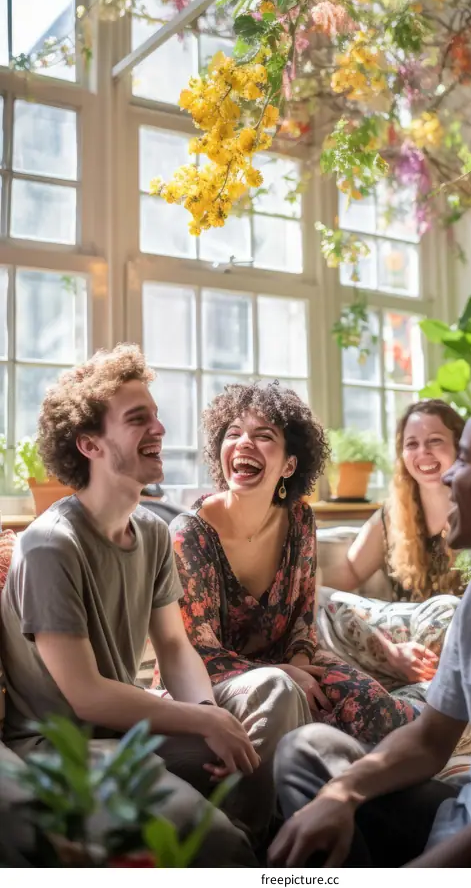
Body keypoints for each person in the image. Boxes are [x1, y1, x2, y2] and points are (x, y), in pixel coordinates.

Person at [269, 387, 471, 868]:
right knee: (308, 749)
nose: (446, 474)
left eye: (462, 459)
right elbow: (430, 740)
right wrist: (340, 794)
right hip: (465, 813)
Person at [0, 345, 270, 867]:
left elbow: (173, 644)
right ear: (89, 445)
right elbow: (86, 697)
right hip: (63, 753)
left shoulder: (150, 531)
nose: (160, 428)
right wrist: (200, 724)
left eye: (155, 414)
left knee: (256, 756)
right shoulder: (50, 544)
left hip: (128, 736)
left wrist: (210, 713)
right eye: (137, 418)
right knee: (217, 842)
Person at [165, 382, 418, 749]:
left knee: (380, 712)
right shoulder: (189, 535)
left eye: (263, 435)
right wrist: (284, 675)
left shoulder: (300, 519)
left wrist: (299, 665)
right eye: (233, 433)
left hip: (287, 666)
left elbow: (303, 614)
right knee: (297, 707)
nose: (244, 443)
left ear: (289, 465)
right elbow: (196, 654)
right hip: (209, 682)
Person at [317, 401, 470, 716]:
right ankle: (400, 698)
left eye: (435, 441)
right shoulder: (391, 516)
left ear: (459, 446)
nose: (422, 452)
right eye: (411, 444)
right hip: (401, 650)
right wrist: (390, 652)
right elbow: (345, 577)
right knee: (323, 601)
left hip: (460, 644)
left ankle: (412, 703)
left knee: (450, 611)